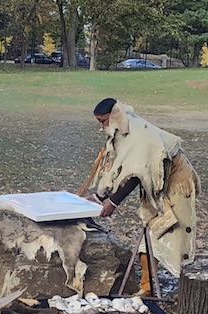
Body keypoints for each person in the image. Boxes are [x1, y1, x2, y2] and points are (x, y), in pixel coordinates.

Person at [85, 98, 201, 297]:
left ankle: (189, 287)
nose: (101, 126)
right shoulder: (121, 132)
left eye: (103, 121)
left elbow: (137, 174)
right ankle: (147, 286)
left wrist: (112, 202)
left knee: (171, 230)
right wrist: (99, 196)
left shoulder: (139, 134)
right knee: (149, 233)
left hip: (175, 179)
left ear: (114, 117)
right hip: (156, 179)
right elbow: (118, 169)